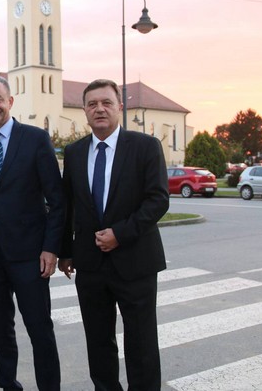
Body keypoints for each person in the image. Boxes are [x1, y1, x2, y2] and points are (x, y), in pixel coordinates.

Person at [59, 79, 169, 391]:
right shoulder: (75, 152)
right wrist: (65, 251)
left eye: (106, 102)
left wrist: (120, 234)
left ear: (119, 107)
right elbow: (69, 205)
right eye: (92, 104)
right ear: (84, 111)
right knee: (98, 341)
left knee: (141, 342)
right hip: (90, 265)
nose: (99, 109)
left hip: (135, 261)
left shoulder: (145, 146)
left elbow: (158, 199)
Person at [0, 75, 64, 391]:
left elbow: (57, 200)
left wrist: (51, 248)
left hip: (31, 255)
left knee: (39, 329)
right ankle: (8, 385)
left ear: (10, 101)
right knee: (0, 328)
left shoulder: (35, 139)